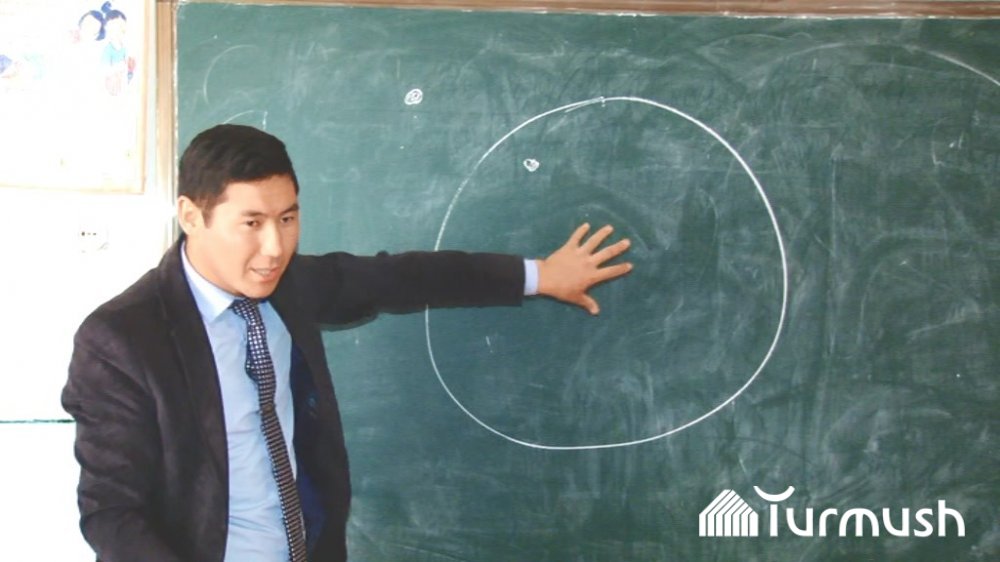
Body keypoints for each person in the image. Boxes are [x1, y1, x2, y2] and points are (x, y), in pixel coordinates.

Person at [62, 124, 632, 561]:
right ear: (191, 215)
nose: (275, 248)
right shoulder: (121, 340)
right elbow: (112, 512)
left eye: (288, 219)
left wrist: (539, 274)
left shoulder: (290, 286)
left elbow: (403, 278)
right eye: (252, 223)